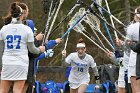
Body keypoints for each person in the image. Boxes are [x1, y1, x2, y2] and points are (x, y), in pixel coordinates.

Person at [0, 2, 45, 93]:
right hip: (21, 64)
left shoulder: (4, 29)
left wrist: (1, 66)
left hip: (7, 63)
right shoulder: (27, 29)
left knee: (3, 91)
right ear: (21, 15)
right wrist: (40, 49)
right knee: (17, 91)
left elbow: (1, 50)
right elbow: (32, 49)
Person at [126, 6, 140, 93]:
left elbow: (127, 43)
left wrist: (129, 43)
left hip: (135, 59)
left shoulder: (132, 27)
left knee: (135, 85)